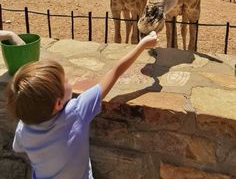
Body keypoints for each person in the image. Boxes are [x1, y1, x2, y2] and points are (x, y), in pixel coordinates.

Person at [6, 32, 158, 179]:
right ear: (58, 103)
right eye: (65, 81)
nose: (69, 80)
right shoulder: (76, 112)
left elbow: (17, 147)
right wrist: (142, 45)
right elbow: (115, 71)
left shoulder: (24, 127)